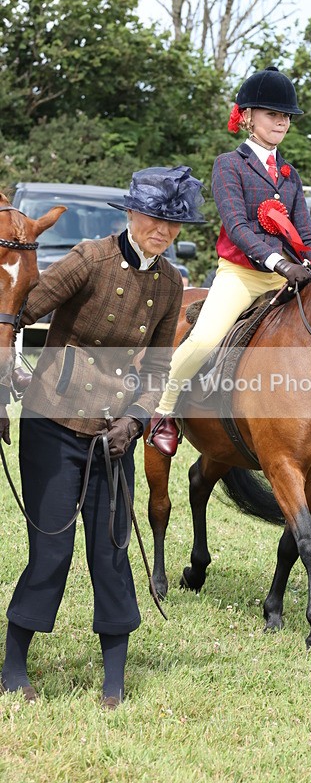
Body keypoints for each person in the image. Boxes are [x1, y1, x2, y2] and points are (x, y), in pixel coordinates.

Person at [0, 165, 205, 708]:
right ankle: (13, 667)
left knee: (112, 552)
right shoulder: (89, 259)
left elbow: (158, 368)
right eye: (154, 218)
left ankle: (114, 680)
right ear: (131, 214)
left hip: (113, 436)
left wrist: (135, 420)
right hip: (51, 425)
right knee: (51, 552)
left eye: (173, 224)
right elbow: (18, 311)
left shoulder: (171, 284)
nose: (163, 231)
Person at [150, 66, 311, 457]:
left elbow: (307, 233)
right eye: (272, 114)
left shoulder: (290, 175)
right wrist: (278, 262)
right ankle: (161, 411)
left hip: (287, 277)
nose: (281, 122)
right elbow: (237, 226)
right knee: (204, 339)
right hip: (242, 275)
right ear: (247, 116)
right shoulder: (229, 164)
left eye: (285, 116)